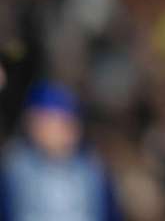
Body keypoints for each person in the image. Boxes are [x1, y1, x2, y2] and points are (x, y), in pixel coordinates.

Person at [0, 81, 121, 221]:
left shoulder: (92, 169)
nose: (53, 132)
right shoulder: (15, 167)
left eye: (61, 123)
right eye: (44, 122)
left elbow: (109, 213)